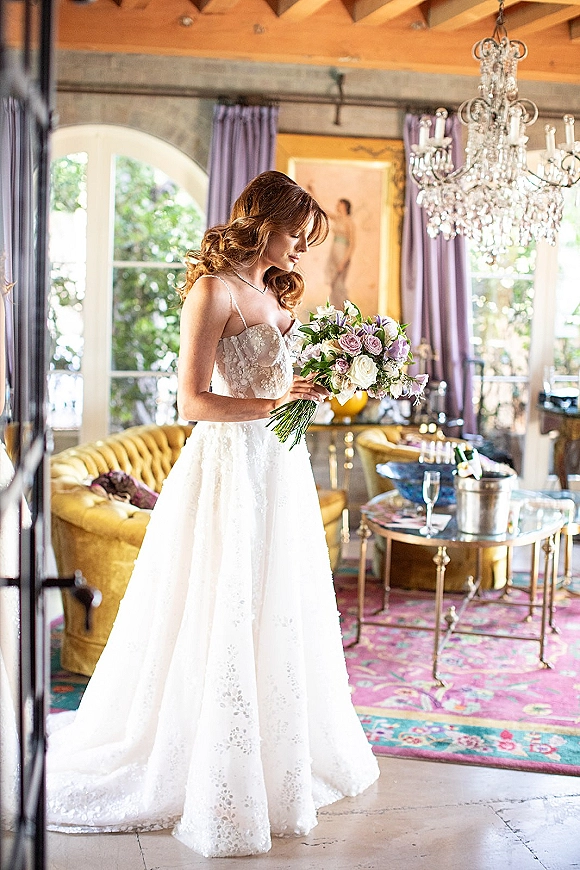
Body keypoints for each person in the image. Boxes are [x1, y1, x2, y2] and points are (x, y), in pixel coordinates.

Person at [45, 171, 379, 858]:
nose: (299, 251)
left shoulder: (271, 292)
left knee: (271, 603)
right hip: (229, 466)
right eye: (295, 235)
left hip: (277, 467)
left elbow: (274, 385)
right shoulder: (213, 290)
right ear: (264, 222)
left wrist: (307, 390)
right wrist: (278, 405)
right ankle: (205, 757)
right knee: (222, 601)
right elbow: (194, 403)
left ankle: (270, 754)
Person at [324, 198, 356, 309]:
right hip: (334, 252)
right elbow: (324, 210)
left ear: (345, 206)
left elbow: (352, 244)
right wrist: (312, 191)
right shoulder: (337, 218)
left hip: (342, 254)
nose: (337, 206)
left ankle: (346, 310)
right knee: (333, 284)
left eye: (340, 204)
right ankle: (335, 310)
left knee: (339, 284)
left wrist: (344, 261)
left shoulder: (349, 222)